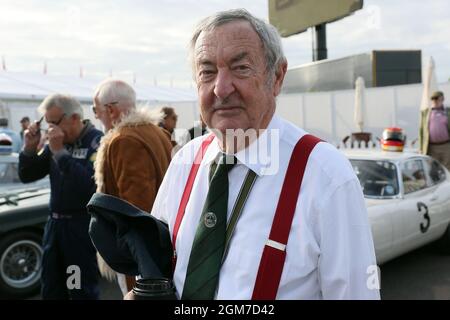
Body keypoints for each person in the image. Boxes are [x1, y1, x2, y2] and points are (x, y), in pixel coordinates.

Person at [127, 9, 379, 300]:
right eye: (207, 72)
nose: (221, 88)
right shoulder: (185, 160)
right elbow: (161, 265)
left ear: (277, 77)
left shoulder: (326, 174)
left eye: (241, 67)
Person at [92, 79, 173, 296]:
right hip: (165, 237)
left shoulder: (123, 140)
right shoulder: (156, 132)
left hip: (141, 255)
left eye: (95, 109)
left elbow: (134, 211)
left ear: (110, 110)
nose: (95, 116)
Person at [19, 93, 103, 299]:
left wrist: (60, 154)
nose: (50, 130)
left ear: (74, 118)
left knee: (78, 289)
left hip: (79, 229)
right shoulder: (57, 143)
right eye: (47, 124)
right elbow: (28, 175)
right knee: (51, 288)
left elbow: (89, 186)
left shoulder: (97, 142)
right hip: (54, 227)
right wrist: (29, 149)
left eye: (54, 123)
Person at [419, 90, 450, 170]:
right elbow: (421, 131)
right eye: (433, 99)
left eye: (437, 99)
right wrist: (421, 148)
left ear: (442, 99)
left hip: (446, 146)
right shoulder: (426, 113)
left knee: (447, 169)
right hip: (432, 147)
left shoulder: (447, 112)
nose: (435, 101)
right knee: (433, 169)